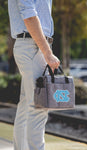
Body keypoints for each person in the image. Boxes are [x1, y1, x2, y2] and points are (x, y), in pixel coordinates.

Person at [8, 0, 60, 149]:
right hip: (33, 46)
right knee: (39, 106)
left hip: (34, 44)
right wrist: (47, 53)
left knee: (27, 104)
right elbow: (29, 15)